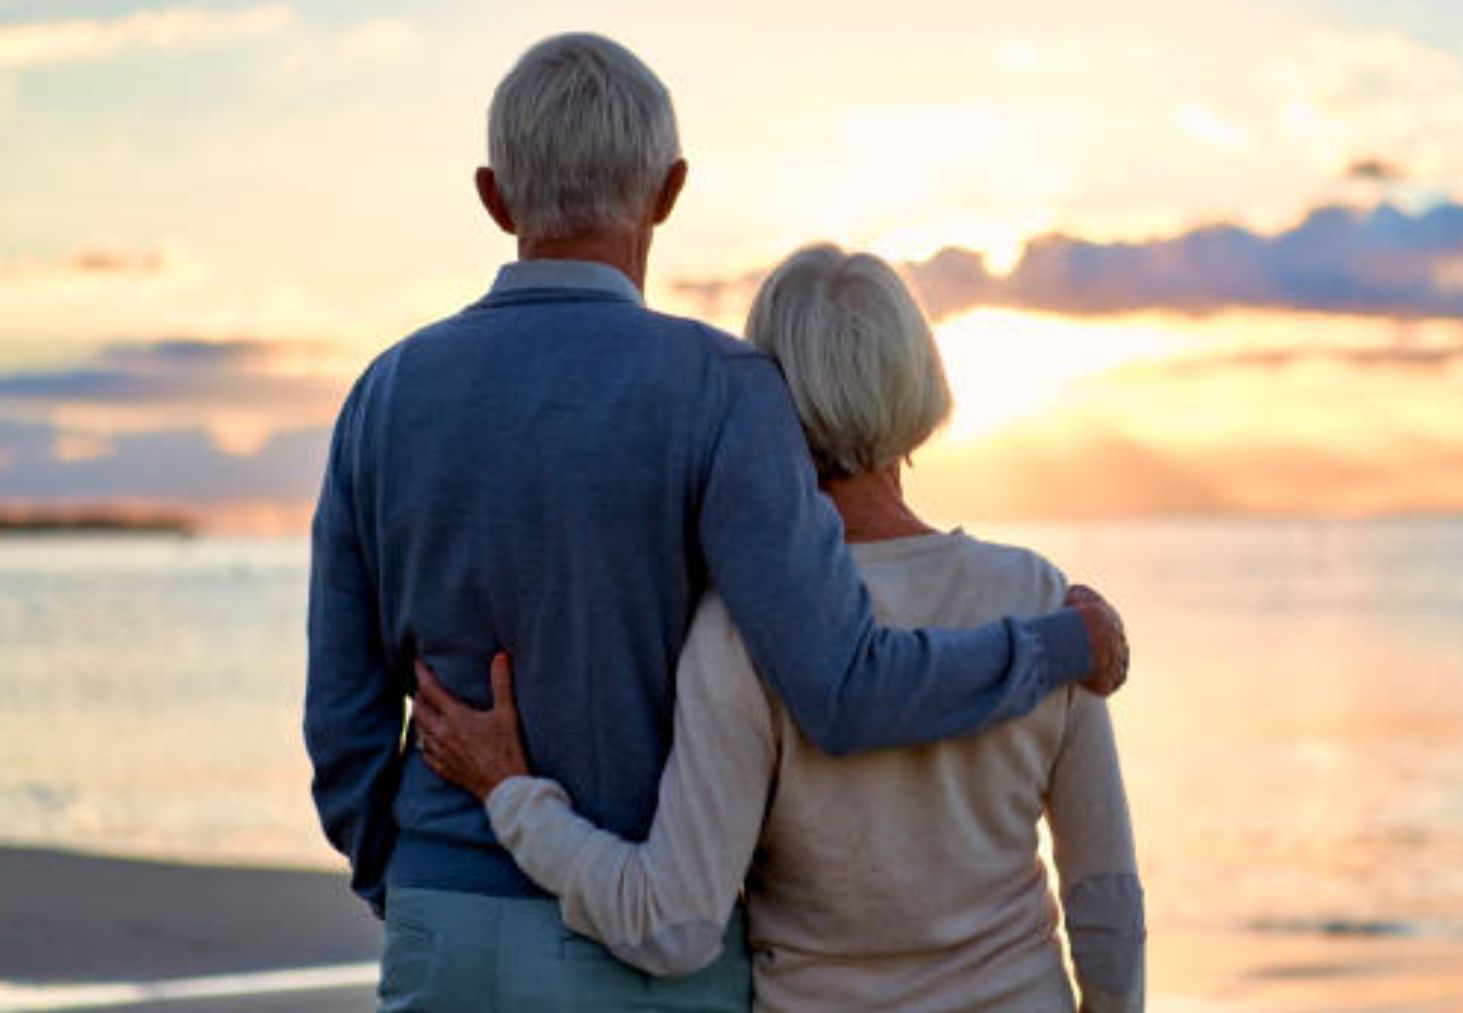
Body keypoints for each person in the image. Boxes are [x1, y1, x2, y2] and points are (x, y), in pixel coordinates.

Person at [302, 32, 1130, 1012]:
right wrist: (1055, 644)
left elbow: (341, 717)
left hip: (443, 921)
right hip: (639, 952)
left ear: (494, 197)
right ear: (668, 190)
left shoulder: (383, 394)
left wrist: (403, 881)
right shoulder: (722, 389)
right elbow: (839, 682)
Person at [413, 246, 1145, 1011]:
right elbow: (1107, 901)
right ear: (919, 375)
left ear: (768, 403)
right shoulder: (1042, 598)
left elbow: (672, 922)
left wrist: (512, 795)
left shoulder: (745, 626)